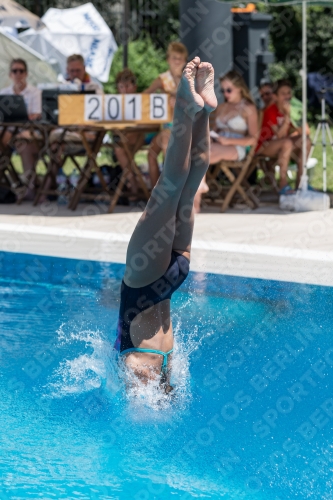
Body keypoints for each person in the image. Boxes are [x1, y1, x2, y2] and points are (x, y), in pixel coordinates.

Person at [114, 56, 217, 391]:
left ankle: (204, 112)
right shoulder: (134, 367)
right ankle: (184, 106)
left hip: (175, 276)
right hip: (143, 283)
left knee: (189, 185)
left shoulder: (163, 370)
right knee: (171, 185)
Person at [144, 42, 188, 188]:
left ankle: (167, 191)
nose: (177, 61)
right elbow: (145, 96)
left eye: (180, 58)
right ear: (168, 59)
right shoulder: (162, 79)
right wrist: (159, 97)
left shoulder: (188, 80)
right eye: (174, 58)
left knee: (165, 142)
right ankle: (156, 191)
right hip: (166, 126)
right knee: (151, 154)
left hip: (185, 128)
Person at [256, 79, 311, 194]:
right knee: (287, 143)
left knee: (306, 141)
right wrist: (287, 115)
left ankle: (301, 183)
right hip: (264, 146)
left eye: (288, 93)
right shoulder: (270, 111)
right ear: (275, 96)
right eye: (283, 93)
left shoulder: (293, 109)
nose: (287, 96)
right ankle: (283, 185)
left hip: (282, 144)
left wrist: (297, 117)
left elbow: (306, 131)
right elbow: (280, 135)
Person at [0, 58, 42, 199]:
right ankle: (8, 183)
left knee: (22, 143)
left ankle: (29, 187)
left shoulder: (35, 92)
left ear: (26, 73)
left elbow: (36, 115)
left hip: (27, 130)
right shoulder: (4, 93)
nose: (18, 74)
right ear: (10, 74)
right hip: (8, 130)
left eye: (21, 71)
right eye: (14, 71)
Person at [209, 70, 259, 165]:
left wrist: (228, 141)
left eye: (229, 90)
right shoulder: (221, 107)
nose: (225, 94)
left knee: (207, 151)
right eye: (223, 90)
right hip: (217, 144)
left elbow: (253, 140)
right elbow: (214, 132)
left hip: (237, 147)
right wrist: (210, 137)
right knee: (196, 149)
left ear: (239, 88)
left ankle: (197, 180)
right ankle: (200, 180)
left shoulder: (248, 108)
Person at [113, 69, 145, 199]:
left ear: (134, 87)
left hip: (142, 136)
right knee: (120, 148)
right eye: (121, 87)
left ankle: (133, 183)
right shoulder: (115, 103)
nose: (125, 90)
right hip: (123, 138)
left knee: (120, 148)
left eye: (127, 86)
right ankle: (135, 182)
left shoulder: (141, 101)